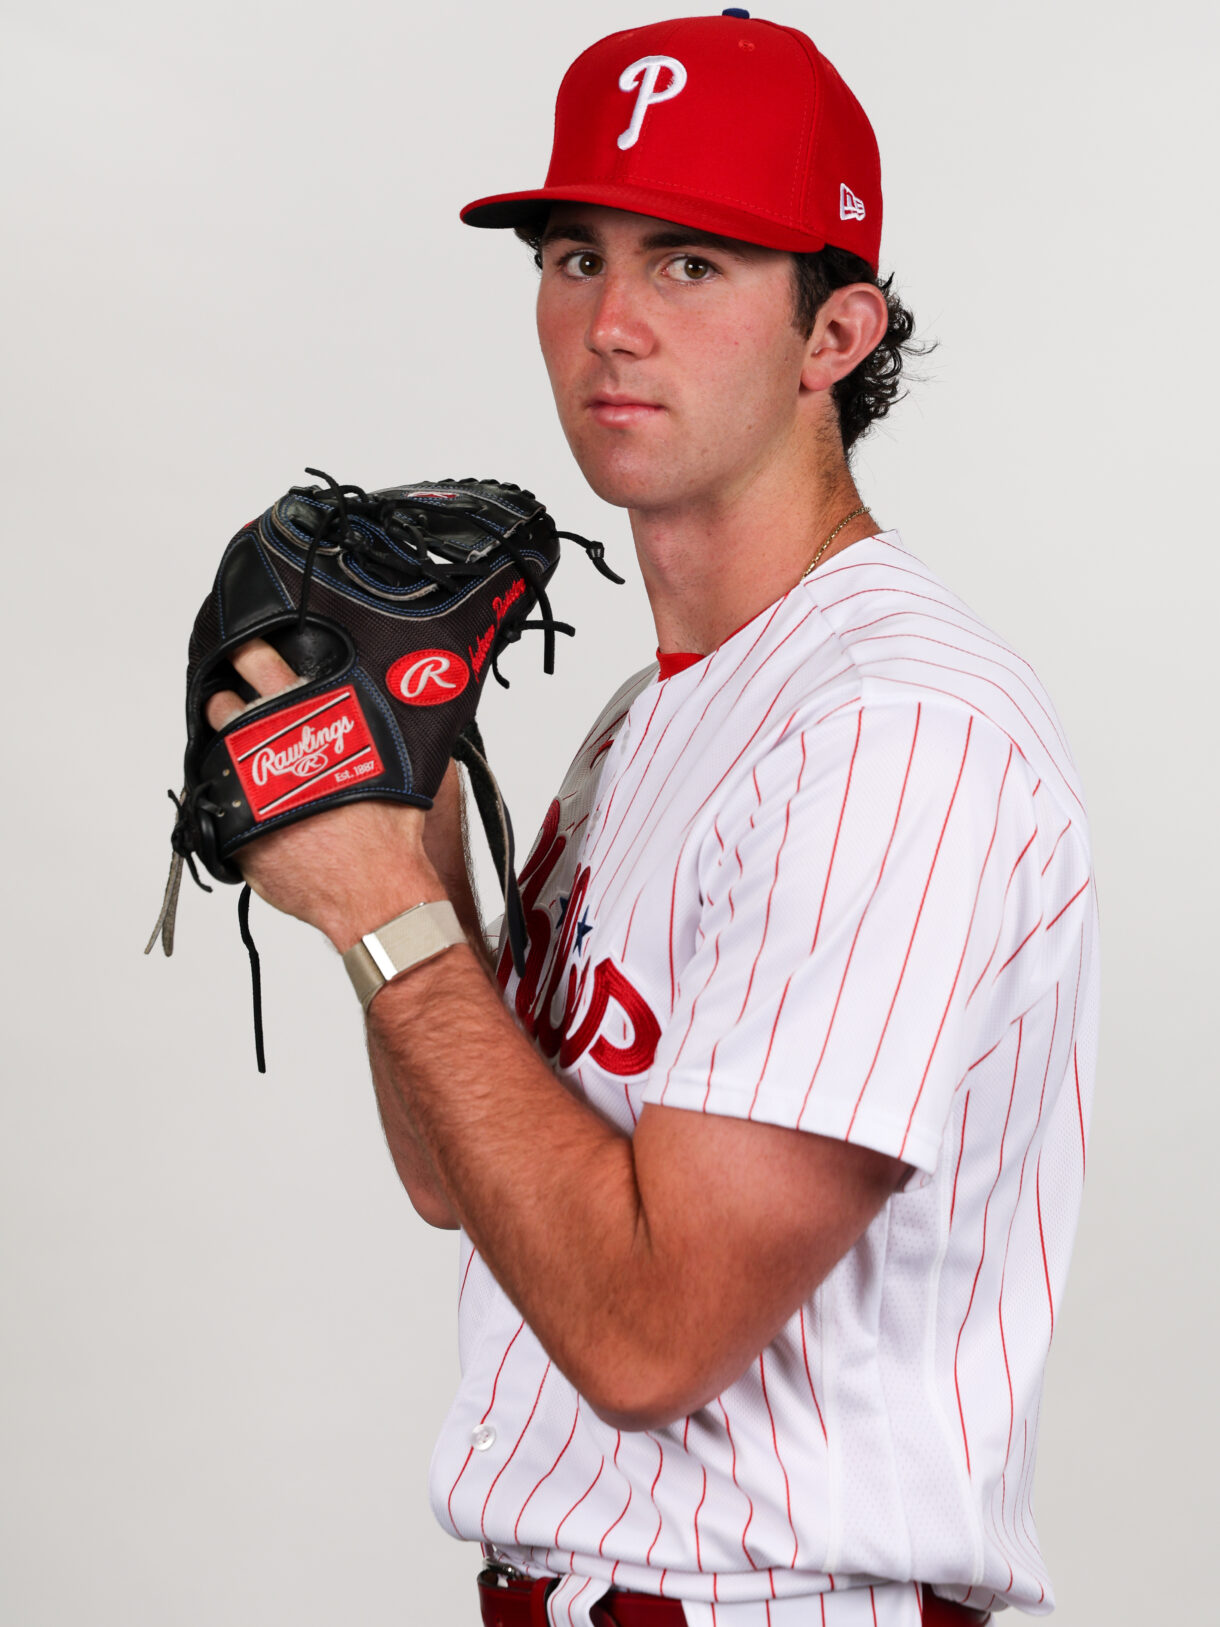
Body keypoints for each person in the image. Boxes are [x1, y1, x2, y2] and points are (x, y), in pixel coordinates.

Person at [205, 12, 1098, 1625]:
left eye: (690, 264)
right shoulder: (650, 719)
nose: (610, 324)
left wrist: (378, 907)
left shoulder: (888, 729)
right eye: (574, 257)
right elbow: (458, 1173)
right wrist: (411, 828)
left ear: (836, 334)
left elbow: (649, 1338)